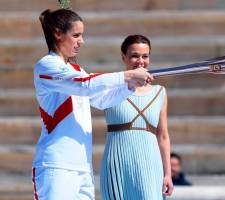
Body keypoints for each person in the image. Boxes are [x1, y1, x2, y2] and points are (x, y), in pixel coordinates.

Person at [32, 9, 153, 200]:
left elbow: (102, 99)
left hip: (83, 167)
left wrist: (129, 86)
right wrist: (127, 75)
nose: (82, 41)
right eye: (76, 35)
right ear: (57, 33)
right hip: (56, 166)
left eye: (82, 35)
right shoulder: (46, 66)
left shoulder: (76, 70)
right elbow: (85, 85)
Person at [100, 34, 173, 199]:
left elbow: (163, 136)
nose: (140, 61)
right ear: (123, 57)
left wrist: (167, 174)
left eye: (145, 56)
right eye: (134, 56)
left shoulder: (159, 92)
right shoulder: (111, 88)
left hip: (149, 163)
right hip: (117, 163)